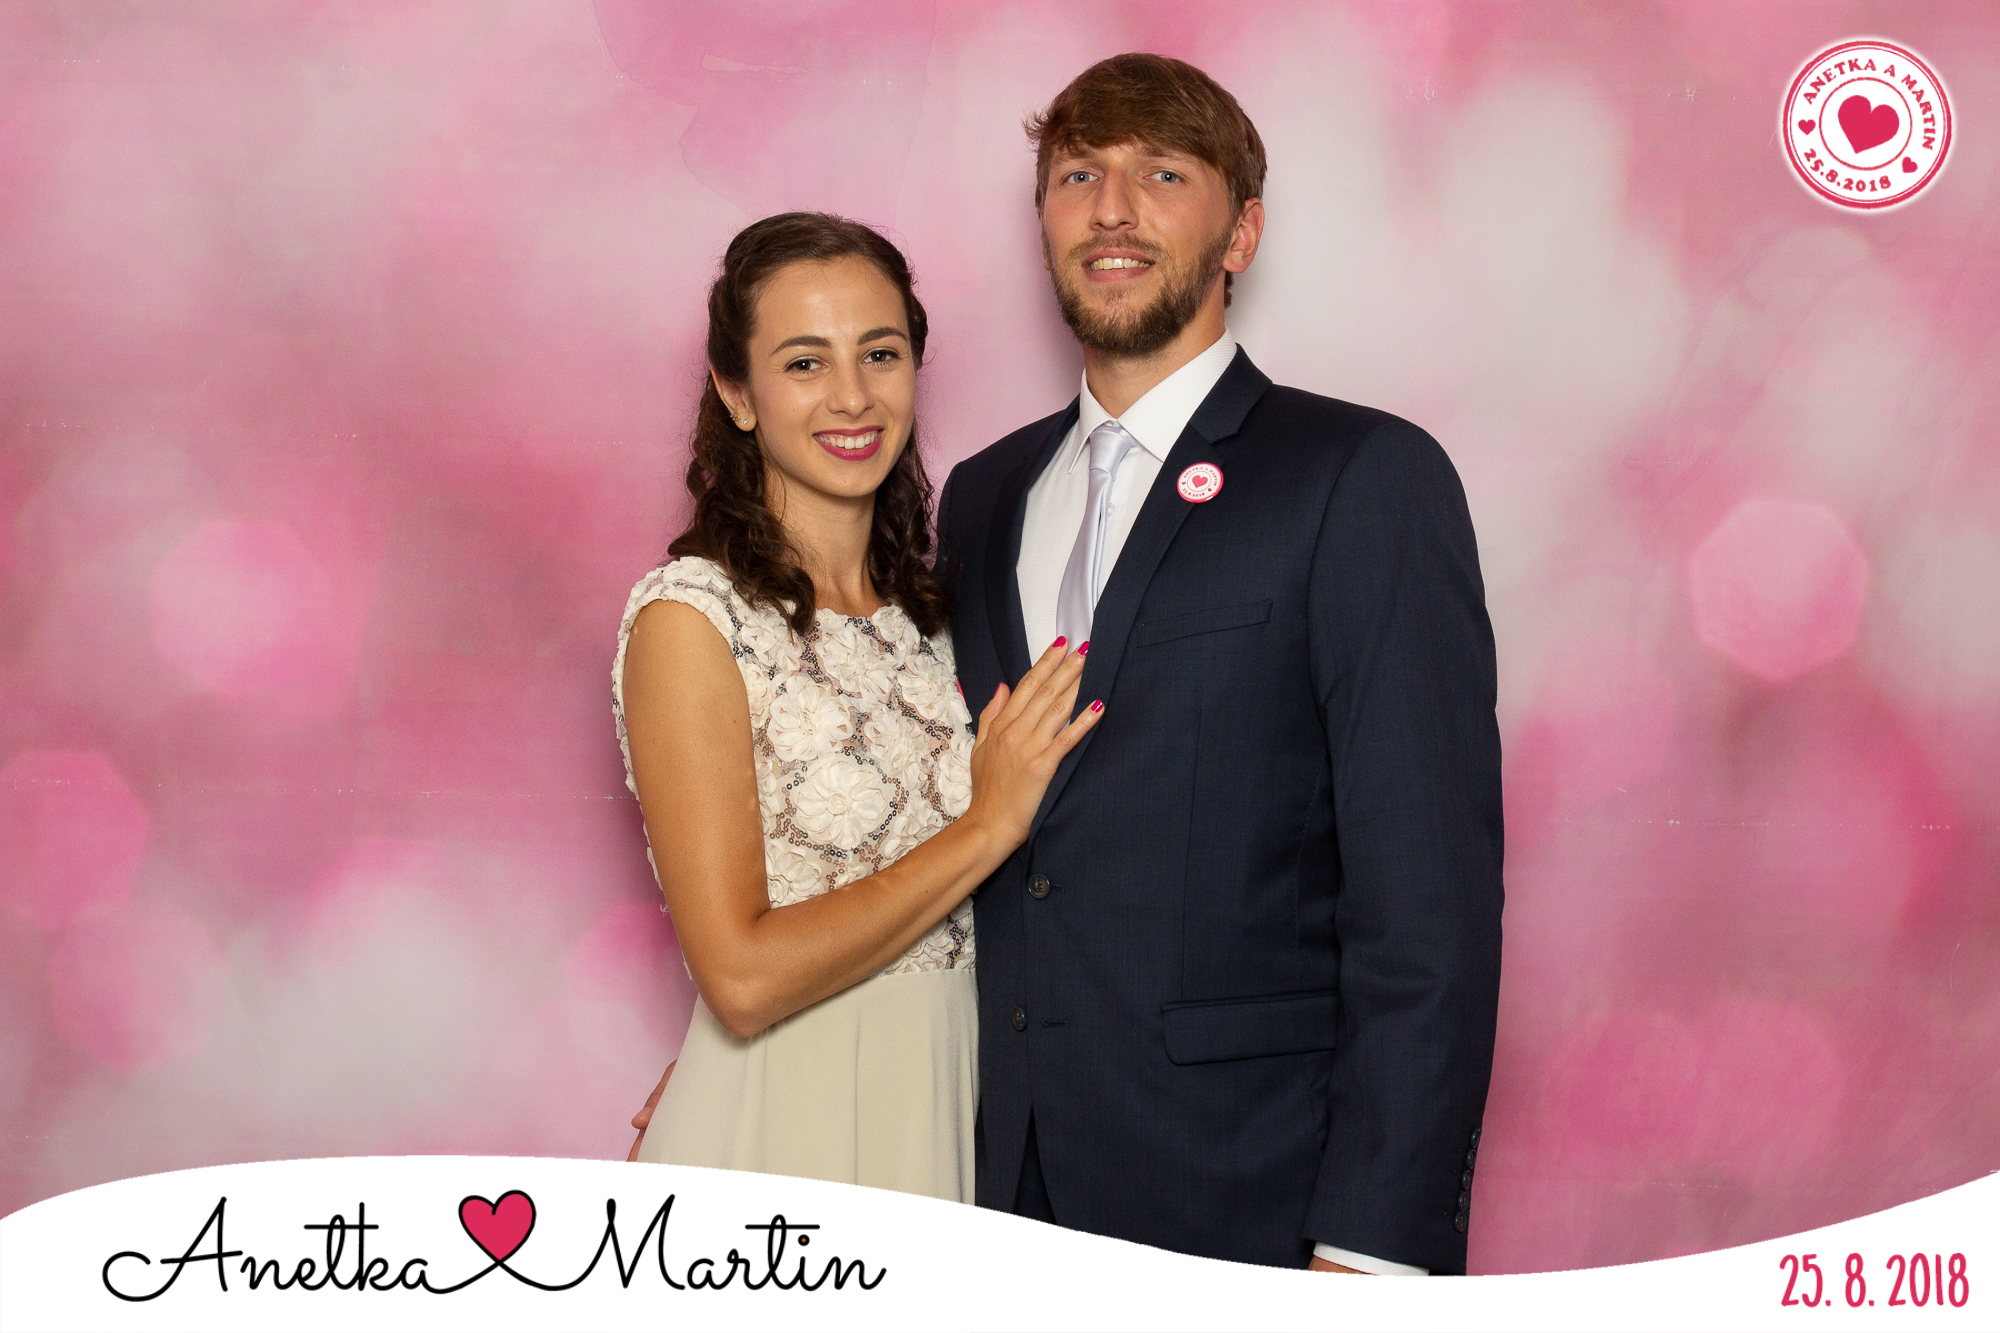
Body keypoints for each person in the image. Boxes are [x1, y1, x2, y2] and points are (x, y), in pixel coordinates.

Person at [934, 54, 1504, 1273]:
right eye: (1076, 176)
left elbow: (1426, 906)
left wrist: (1372, 1248)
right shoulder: (978, 497)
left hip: (1249, 1200)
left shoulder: (1358, 478)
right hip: (990, 1197)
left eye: (1161, 175)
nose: (1110, 209)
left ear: (1240, 232)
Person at [615, 212, 1100, 1201]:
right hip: (785, 1125)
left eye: (880, 353)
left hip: (959, 1109)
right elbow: (741, 978)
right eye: (804, 362)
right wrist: (986, 825)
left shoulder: (948, 615)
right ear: (735, 392)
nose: (851, 396)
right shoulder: (691, 621)